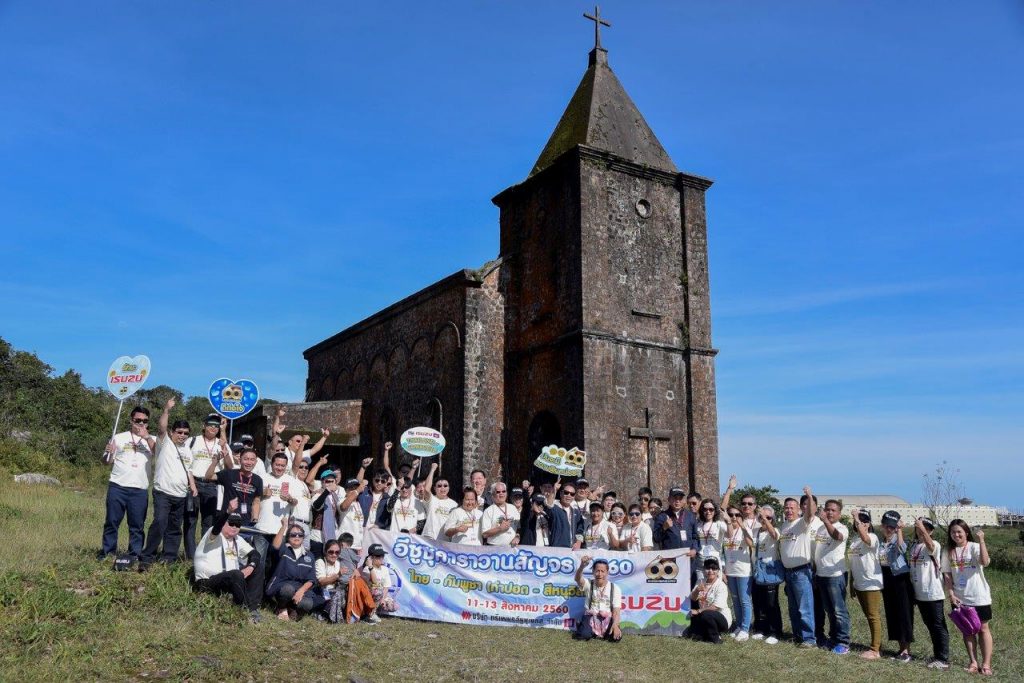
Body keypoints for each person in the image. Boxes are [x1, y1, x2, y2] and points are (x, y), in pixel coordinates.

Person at [140, 399, 198, 570]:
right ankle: (147, 556)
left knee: (174, 528)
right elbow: (161, 427)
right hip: (163, 492)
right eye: (179, 432)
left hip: (180, 494)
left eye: (186, 433)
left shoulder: (187, 450)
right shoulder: (164, 443)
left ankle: (169, 558)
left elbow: (189, 470)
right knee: (159, 522)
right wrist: (166, 409)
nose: (182, 435)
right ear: (172, 432)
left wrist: (193, 486)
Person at [99, 406, 157, 561]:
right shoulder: (119, 437)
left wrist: (147, 437)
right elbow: (106, 462)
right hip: (118, 486)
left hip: (139, 489)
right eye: (138, 420)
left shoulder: (152, 440)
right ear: (131, 420)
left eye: (144, 421)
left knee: (137, 526)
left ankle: (135, 554)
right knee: (112, 522)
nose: (141, 423)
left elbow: (159, 453)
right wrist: (108, 452)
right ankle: (107, 552)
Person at [192, 500, 262, 624]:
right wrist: (228, 512)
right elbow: (217, 527)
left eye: (238, 524)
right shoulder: (213, 534)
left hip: (229, 580)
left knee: (257, 566)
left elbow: (254, 554)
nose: (235, 527)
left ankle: (252, 609)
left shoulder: (237, 539)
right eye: (231, 523)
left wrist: (250, 566)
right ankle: (243, 611)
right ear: (224, 523)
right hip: (207, 582)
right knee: (236, 574)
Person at [942, 519, 993, 675]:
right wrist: (951, 594)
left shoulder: (974, 547)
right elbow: (947, 575)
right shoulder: (947, 551)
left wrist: (982, 541)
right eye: (953, 532)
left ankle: (986, 664)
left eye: (959, 532)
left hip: (979, 596)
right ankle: (973, 662)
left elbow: (984, 562)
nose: (956, 535)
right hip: (960, 598)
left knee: (983, 629)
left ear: (966, 533)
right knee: (967, 631)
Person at [778, 486, 821, 647]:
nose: (789, 510)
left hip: (801, 571)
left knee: (805, 607)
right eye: (786, 508)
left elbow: (810, 513)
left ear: (798, 510)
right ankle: (798, 636)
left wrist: (809, 496)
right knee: (793, 608)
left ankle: (809, 639)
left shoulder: (802, 523)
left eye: (792, 508)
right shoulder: (784, 526)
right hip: (788, 573)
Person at [909, 517, 950, 670]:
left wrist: (921, 527)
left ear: (931, 531)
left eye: (926, 528)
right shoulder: (914, 547)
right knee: (930, 625)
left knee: (938, 625)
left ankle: (943, 658)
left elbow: (930, 545)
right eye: (919, 527)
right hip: (919, 594)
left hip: (933, 592)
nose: (921, 530)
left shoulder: (935, 545)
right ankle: (937, 655)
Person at [812, 498, 851, 654]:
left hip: (835, 575)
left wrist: (826, 522)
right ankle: (833, 639)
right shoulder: (821, 529)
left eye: (833, 510)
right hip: (821, 575)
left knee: (839, 610)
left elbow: (837, 537)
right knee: (829, 610)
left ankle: (843, 642)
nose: (829, 512)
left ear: (839, 514)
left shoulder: (842, 528)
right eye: (827, 509)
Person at [186, 413, 229, 551]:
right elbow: (186, 463)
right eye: (210, 424)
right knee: (190, 520)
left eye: (217, 425)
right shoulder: (192, 440)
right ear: (204, 426)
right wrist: (190, 482)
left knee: (209, 522)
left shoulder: (222, 443)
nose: (213, 427)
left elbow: (229, 466)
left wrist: (224, 447)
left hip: (212, 486)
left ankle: (204, 552)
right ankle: (190, 555)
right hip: (194, 484)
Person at [265, 518, 322, 621]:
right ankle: (281, 607)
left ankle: (292, 609)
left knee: (308, 604)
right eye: (293, 534)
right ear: (288, 537)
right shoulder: (284, 549)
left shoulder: (309, 556)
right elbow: (275, 546)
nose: (297, 537)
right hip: (281, 585)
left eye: (300, 535)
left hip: (298, 588)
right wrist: (283, 527)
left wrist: (301, 591)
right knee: (288, 590)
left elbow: (312, 579)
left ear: (303, 537)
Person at [879, 510, 914, 662]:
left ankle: (906, 651)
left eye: (892, 527)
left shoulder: (897, 539)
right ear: (882, 526)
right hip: (887, 579)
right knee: (892, 613)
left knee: (904, 614)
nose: (889, 529)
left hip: (900, 579)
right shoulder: (881, 543)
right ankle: (900, 649)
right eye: (887, 526)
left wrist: (900, 531)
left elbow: (902, 548)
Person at [848, 508, 883, 659]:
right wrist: (851, 583)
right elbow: (853, 562)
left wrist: (856, 517)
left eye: (864, 521)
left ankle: (875, 650)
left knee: (873, 615)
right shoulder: (854, 541)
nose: (860, 523)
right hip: (859, 583)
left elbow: (865, 538)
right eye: (858, 521)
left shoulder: (872, 537)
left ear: (868, 524)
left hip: (871, 584)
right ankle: (874, 646)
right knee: (868, 615)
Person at [652, 488, 700, 584]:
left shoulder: (691, 516)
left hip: (688, 561)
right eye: (675, 498)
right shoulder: (661, 516)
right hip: (670, 562)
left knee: (690, 589)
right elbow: (656, 538)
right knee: (672, 589)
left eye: (680, 498)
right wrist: (664, 528)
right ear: (669, 499)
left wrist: (695, 549)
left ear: (683, 501)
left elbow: (696, 537)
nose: (677, 501)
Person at [751, 505, 784, 645]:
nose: (764, 520)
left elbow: (774, 536)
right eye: (762, 517)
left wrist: (766, 519)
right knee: (758, 602)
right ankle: (760, 628)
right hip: (758, 570)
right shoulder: (756, 531)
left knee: (771, 603)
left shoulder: (775, 530)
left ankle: (775, 631)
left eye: (768, 517)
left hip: (770, 571)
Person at [207, 446, 262, 527]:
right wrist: (214, 462)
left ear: (256, 462)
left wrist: (255, 519)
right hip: (226, 520)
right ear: (240, 460)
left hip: (245, 522)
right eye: (246, 459)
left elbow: (256, 501)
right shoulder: (229, 474)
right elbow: (209, 477)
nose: (249, 462)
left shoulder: (258, 480)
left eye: (252, 460)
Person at [722, 504, 754, 641]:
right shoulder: (725, 531)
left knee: (744, 600)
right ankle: (739, 625)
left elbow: (750, 543)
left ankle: (746, 629)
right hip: (730, 571)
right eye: (731, 514)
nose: (734, 517)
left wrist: (742, 526)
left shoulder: (745, 529)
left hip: (743, 571)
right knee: (735, 600)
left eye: (737, 514)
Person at [572, 556, 622, 642]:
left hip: (607, 617)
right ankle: (583, 627)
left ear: (607, 572)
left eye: (603, 571)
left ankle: (600, 631)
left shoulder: (615, 588)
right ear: (593, 572)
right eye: (597, 571)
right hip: (590, 616)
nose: (600, 574)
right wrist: (582, 566)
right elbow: (577, 579)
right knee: (583, 635)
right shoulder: (588, 584)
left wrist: (615, 625)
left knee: (615, 638)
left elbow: (616, 611)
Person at [685, 557, 732, 644]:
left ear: (718, 571)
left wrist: (698, 611)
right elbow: (693, 598)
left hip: (721, 618)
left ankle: (716, 638)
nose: (710, 571)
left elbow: (715, 607)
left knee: (707, 614)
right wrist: (697, 590)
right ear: (704, 570)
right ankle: (704, 633)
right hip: (703, 615)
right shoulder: (700, 581)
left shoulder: (721, 585)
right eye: (707, 568)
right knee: (692, 634)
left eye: (714, 568)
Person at [421, 470, 458, 541]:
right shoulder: (432, 499)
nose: (442, 488)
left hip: (445, 541)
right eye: (439, 486)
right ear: (434, 488)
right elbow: (426, 489)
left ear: (449, 488)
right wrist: (432, 470)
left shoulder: (454, 504)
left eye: (445, 486)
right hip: (429, 537)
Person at [337, 473, 370, 550]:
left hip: (357, 545)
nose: (354, 490)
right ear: (346, 490)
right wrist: (358, 490)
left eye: (356, 487)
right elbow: (343, 507)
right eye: (351, 488)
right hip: (346, 544)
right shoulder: (341, 500)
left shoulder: (358, 503)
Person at [365, 543, 396, 623]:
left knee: (392, 606)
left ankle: (375, 610)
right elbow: (375, 582)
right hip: (369, 596)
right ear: (371, 558)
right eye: (378, 556)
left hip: (379, 595)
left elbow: (386, 586)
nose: (381, 558)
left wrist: (383, 599)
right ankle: (371, 614)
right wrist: (370, 567)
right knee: (377, 589)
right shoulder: (367, 569)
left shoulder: (385, 569)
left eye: (382, 555)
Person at [548, 482, 585, 549]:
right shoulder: (555, 508)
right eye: (566, 492)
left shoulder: (576, 511)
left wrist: (578, 542)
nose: (569, 495)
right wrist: (554, 490)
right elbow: (548, 505)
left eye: (572, 494)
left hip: (572, 550)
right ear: (561, 493)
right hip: (556, 549)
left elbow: (580, 530)